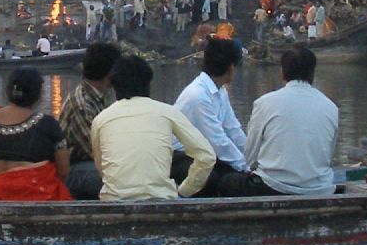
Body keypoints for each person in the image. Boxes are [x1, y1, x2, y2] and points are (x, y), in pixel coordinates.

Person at [91, 54, 215, 201]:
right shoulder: (168, 112)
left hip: (113, 202)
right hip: (161, 201)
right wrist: (184, 191)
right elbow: (207, 156)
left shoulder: (101, 120)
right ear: (148, 83)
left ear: (114, 86)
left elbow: (102, 168)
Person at [173, 37, 269, 196]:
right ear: (231, 67)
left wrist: (253, 160)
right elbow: (218, 141)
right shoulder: (198, 96)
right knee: (217, 177)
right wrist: (246, 168)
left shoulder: (220, 90)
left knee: (233, 172)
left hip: (203, 154)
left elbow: (233, 130)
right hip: (180, 156)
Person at [245, 46, 344, 197]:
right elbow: (327, 155)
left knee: (228, 181)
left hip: (274, 187)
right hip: (320, 188)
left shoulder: (264, 103)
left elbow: (250, 154)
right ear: (312, 73)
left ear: (282, 73)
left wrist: (245, 170)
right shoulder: (331, 107)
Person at [0, 67, 72, 201]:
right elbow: (63, 171)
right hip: (37, 207)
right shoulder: (49, 124)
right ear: (38, 94)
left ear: (8, 91)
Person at [57, 42, 120, 200]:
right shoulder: (82, 104)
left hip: (91, 162)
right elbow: (96, 152)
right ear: (110, 72)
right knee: (119, 179)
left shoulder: (100, 96)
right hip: (74, 170)